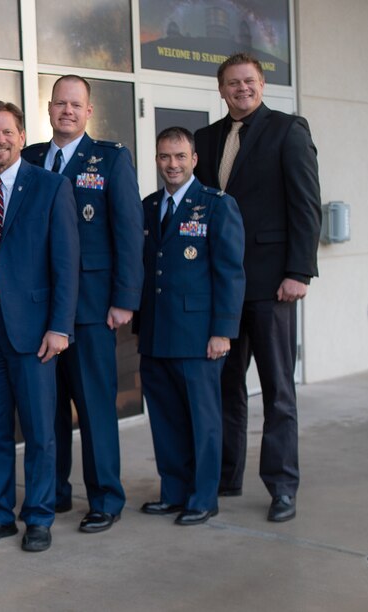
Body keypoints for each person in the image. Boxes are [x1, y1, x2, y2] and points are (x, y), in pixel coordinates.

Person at [194, 52, 321, 522]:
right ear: (221, 89)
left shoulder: (289, 130)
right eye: (232, 83)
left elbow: (307, 205)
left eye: (248, 81)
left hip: (272, 285)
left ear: (262, 85)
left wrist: (299, 271)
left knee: (277, 390)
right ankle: (227, 475)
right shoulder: (205, 139)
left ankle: (282, 486)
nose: (241, 89)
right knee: (226, 387)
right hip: (221, 287)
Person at [0, 101, 79, 553]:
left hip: (34, 332)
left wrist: (60, 327)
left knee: (40, 429)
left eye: (7, 132)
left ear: (22, 137)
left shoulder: (51, 187)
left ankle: (40, 517)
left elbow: (66, 264)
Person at [21, 75, 143, 533]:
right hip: (40, 308)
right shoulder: (31, 158)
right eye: (60, 104)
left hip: (92, 309)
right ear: (49, 109)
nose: (67, 111)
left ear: (88, 111)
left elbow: (129, 231)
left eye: (76, 104)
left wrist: (125, 299)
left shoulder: (110, 159)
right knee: (47, 408)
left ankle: (106, 498)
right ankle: (55, 492)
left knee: (93, 406)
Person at [134, 127, 245, 526]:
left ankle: (203, 496)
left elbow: (230, 273)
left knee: (203, 421)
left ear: (194, 159)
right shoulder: (148, 207)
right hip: (156, 333)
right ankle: (174, 492)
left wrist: (223, 331)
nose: (172, 164)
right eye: (165, 156)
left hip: (199, 336)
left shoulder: (216, 205)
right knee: (165, 421)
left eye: (180, 156)